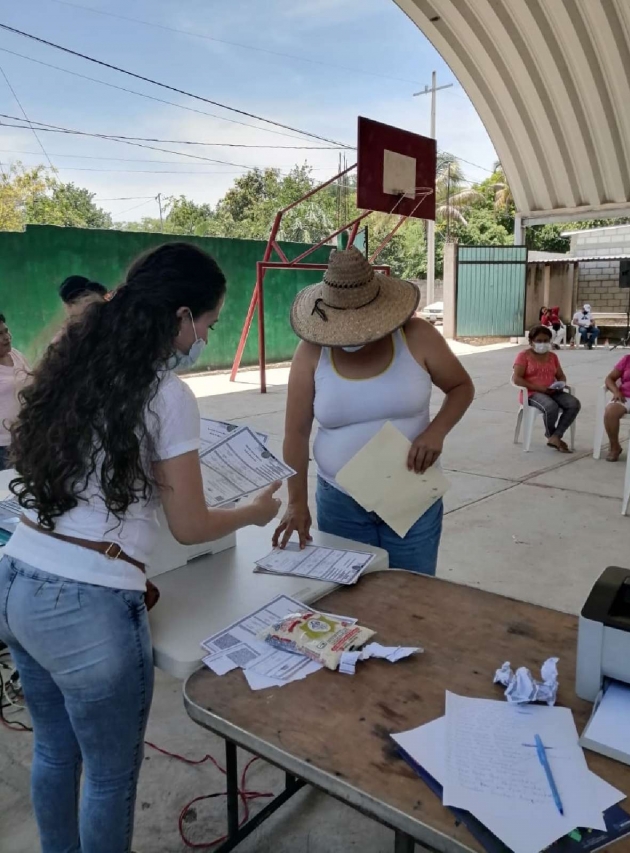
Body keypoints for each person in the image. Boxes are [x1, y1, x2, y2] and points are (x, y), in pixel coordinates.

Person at [0, 243, 282, 853]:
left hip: (18, 576)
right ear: (181, 318)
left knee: (53, 749)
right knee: (107, 775)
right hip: (89, 606)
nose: (205, 336)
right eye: (207, 325)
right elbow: (190, 524)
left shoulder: (72, 362)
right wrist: (255, 511)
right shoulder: (167, 393)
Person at [272, 247, 474, 575]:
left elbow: (461, 387)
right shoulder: (311, 352)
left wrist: (437, 432)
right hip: (339, 500)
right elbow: (295, 433)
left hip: (409, 493)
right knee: (349, 595)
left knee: (412, 595)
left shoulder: (418, 336)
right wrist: (296, 501)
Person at [513, 325, 581, 453]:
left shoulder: (552, 357)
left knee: (574, 404)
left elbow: (560, 375)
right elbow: (517, 379)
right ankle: (552, 436)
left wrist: (560, 384)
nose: (543, 344)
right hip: (532, 393)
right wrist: (539, 388)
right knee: (551, 407)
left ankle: (555, 436)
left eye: (546, 341)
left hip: (552, 390)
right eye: (539, 341)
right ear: (531, 341)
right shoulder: (523, 356)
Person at [602, 328, 630, 461]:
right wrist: (616, 391)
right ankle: (614, 447)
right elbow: (609, 378)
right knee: (610, 412)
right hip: (625, 395)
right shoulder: (628, 359)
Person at [0, 313, 30, 471]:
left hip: (26, 435)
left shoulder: (16, 355)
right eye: (0, 334)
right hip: (3, 444)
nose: (7, 337)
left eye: (6, 331)